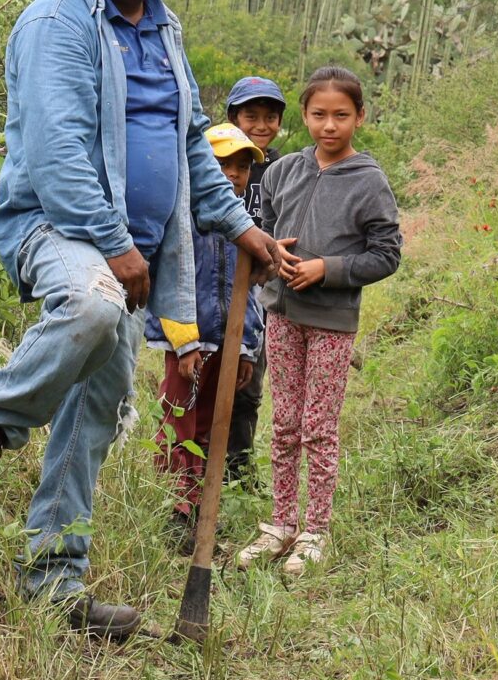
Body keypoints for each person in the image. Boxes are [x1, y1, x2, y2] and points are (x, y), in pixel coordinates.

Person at [0, 0, 286, 638]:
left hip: (138, 254)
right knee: (92, 308)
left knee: (93, 415)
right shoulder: (56, 24)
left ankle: (53, 585)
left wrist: (240, 226)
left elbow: (191, 143)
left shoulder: (164, 29)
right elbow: (58, 153)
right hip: (61, 231)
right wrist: (115, 244)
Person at [236, 67, 401, 576]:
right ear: (305, 116)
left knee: (318, 426)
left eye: (341, 115)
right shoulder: (283, 170)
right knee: (284, 422)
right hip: (281, 314)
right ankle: (281, 523)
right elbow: (264, 230)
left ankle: (315, 530)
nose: (329, 125)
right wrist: (274, 255)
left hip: (331, 321)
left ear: (360, 117)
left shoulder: (369, 181)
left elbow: (386, 254)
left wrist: (326, 269)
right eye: (319, 114)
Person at [149, 124, 266, 548]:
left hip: (226, 345)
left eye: (242, 166)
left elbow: (247, 293)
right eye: (222, 164)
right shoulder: (182, 221)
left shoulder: (243, 228)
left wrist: (247, 347)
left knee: (210, 427)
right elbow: (170, 283)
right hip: (189, 345)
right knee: (178, 422)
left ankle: (201, 506)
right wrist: (184, 342)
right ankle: (175, 507)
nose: (233, 174)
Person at [221, 75, 288, 477]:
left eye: (270, 117)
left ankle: (237, 472)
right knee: (202, 382)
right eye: (251, 116)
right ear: (233, 118)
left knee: (247, 386)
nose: (262, 125)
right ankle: (190, 472)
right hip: (213, 288)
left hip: (259, 297)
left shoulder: (283, 169)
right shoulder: (211, 160)